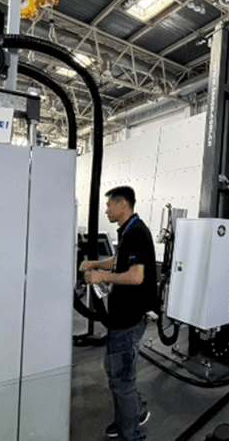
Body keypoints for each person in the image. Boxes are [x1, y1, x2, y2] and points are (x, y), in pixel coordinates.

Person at [79, 186, 158, 441]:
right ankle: (132, 413)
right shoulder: (127, 231)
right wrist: (96, 264)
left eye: (109, 205)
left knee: (122, 379)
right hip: (120, 317)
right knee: (115, 373)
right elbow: (118, 261)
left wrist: (101, 276)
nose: (106, 210)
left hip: (129, 318)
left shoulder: (137, 232)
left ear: (123, 205)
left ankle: (131, 434)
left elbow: (136, 276)